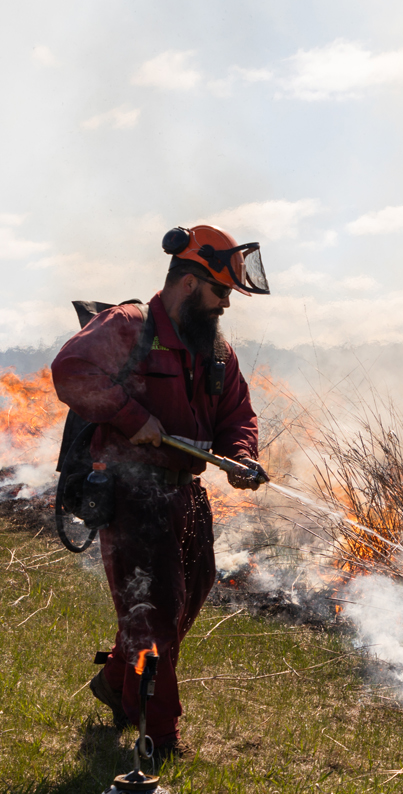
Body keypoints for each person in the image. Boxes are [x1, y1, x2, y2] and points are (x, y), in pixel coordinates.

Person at [51, 224, 270, 763]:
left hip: (184, 494)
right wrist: (131, 417)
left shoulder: (215, 350)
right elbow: (70, 371)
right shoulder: (127, 327)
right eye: (221, 293)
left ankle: (116, 681)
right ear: (192, 283)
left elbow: (238, 414)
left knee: (188, 597)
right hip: (131, 493)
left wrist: (242, 455)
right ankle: (159, 736)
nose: (225, 306)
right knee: (153, 612)